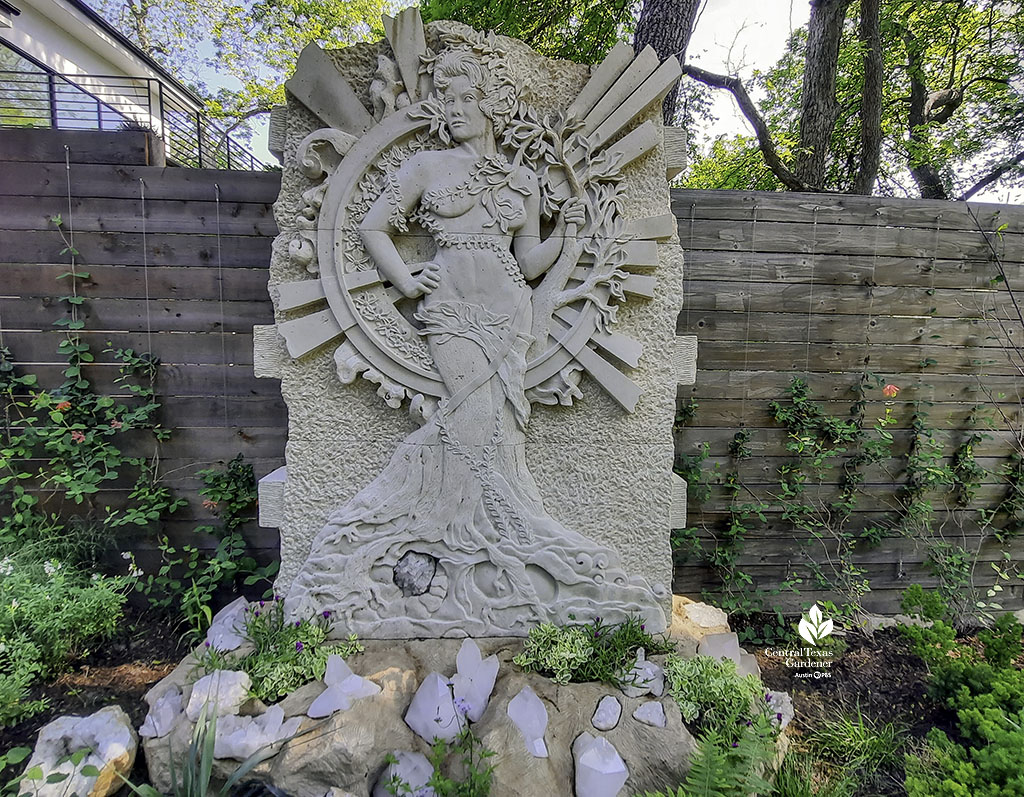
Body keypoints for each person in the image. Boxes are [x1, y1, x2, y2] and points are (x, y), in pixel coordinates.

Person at [286, 47, 664, 636]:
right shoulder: (426, 167)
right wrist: (407, 278)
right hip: (452, 313)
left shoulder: (522, 179)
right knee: (469, 418)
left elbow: (529, 261)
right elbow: (372, 226)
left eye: (466, 97)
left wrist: (567, 235)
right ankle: (413, 544)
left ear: (490, 105)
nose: (454, 107)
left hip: (511, 313)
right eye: (446, 96)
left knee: (499, 430)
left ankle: (480, 563)